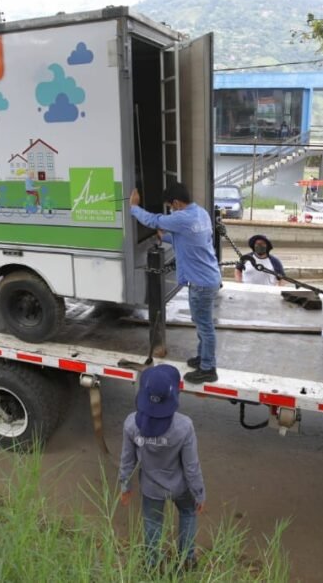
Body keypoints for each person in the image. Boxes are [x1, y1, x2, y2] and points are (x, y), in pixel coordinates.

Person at [129, 183, 221, 384]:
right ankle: (202, 358)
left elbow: (153, 220)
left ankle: (208, 369)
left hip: (201, 283)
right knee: (201, 323)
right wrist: (168, 237)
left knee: (205, 326)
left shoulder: (182, 217)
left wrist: (134, 207)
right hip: (207, 278)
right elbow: (190, 238)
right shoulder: (201, 213)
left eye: (170, 206)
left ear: (177, 203)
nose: (171, 210)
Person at [118, 364, 205, 571]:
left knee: (153, 523)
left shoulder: (131, 423)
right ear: (174, 395)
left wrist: (125, 485)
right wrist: (199, 493)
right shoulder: (184, 426)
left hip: (151, 488)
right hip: (180, 487)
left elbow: (127, 459)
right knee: (188, 513)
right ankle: (187, 559)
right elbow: (191, 467)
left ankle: (151, 564)